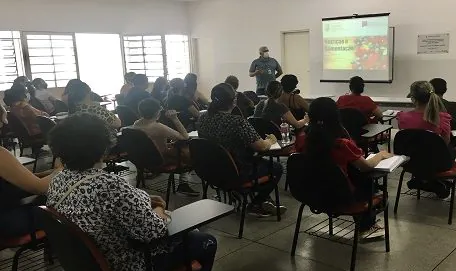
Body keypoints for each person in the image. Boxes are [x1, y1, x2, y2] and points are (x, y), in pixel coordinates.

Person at [46, 113, 227, 271]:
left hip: (88, 270)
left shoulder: (58, 180)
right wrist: (159, 210)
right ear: (103, 146)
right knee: (202, 241)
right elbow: (153, 232)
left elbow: (99, 209)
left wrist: (141, 200)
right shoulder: (109, 185)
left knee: (185, 238)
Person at [295, 97, 392, 239]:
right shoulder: (341, 144)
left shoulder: (302, 140)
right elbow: (365, 166)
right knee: (366, 180)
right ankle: (366, 226)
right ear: (336, 116)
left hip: (310, 193)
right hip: (339, 195)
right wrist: (381, 155)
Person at [198, 83, 284, 216]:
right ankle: (256, 203)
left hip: (211, 170)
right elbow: (261, 146)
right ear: (233, 101)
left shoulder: (203, 118)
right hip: (237, 172)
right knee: (277, 167)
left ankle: (242, 195)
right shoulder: (237, 122)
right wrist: (271, 140)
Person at [133, 98, 199, 196]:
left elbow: (152, 142)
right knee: (186, 147)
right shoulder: (157, 127)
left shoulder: (136, 124)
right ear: (157, 112)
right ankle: (183, 183)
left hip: (144, 159)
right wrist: (175, 118)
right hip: (160, 160)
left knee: (175, 145)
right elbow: (185, 137)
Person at [397, 81, 452, 198]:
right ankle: (432, 182)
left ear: (413, 99)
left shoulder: (402, 118)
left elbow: (406, 138)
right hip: (438, 163)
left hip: (410, 162)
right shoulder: (442, 118)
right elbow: (445, 142)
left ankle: (423, 180)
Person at [0, 146, 59, 237]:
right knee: (64, 200)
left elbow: (15, 178)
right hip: (9, 223)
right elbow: (40, 188)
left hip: (7, 216)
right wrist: (62, 169)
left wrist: (50, 173)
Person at [67, 80, 121, 147]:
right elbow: (117, 124)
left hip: (81, 146)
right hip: (103, 145)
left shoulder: (72, 110)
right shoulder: (95, 109)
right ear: (88, 93)